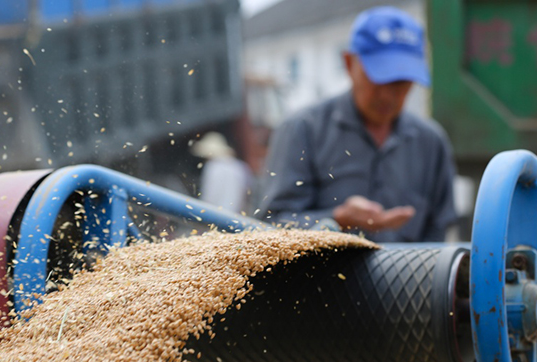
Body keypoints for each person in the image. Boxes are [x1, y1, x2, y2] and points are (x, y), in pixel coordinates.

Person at [258, 6, 456, 242]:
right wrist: (338, 219)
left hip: (409, 278)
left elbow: (438, 236)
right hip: (324, 277)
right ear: (349, 63)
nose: (387, 96)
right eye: (379, 79)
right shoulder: (303, 130)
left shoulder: (431, 143)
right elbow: (267, 227)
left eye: (401, 83)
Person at [191, 132, 254, 214]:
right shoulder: (241, 167)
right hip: (235, 217)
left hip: (216, 215)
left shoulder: (213, 167)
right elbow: (247, 196)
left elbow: (209, 195)